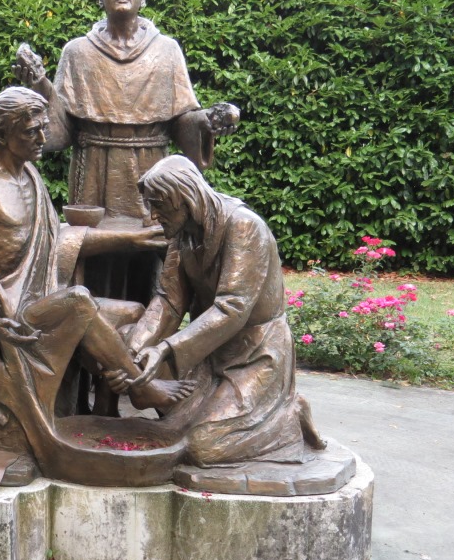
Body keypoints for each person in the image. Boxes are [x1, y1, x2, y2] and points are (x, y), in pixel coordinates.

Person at [0, 89, 195, 476]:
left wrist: (128, 239)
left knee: (131, 313)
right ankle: (140, 385)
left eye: (43, 128)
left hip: (37, 298)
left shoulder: (30, 176)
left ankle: (105, 414)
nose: (43, 138)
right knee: (80, 301)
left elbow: (57, 242)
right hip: (3, 312)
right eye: (31, 132)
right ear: (2, 134)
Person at [14, 0, 238, 303]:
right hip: (94, 174)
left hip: (151, 169)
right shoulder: (78, 52)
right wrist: (39, 85)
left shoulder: (166, 51)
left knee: (151, 255)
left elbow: (183, 121)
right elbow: (60, 131)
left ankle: (148, 327)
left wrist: (209, 121)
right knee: (95, 255)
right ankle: (90, 328)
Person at [124, 156, 327, 466]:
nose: (152, 216)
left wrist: (164, 349)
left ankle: (287, 419)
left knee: (203, 447)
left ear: (186, 198)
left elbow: (233, 308)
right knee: (152, 398)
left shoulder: (243, 226)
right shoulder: (182, 232)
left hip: (255, 354)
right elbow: (169, 300)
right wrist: (133, 351)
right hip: (208, 352)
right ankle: (218, 413)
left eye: (159, 205)